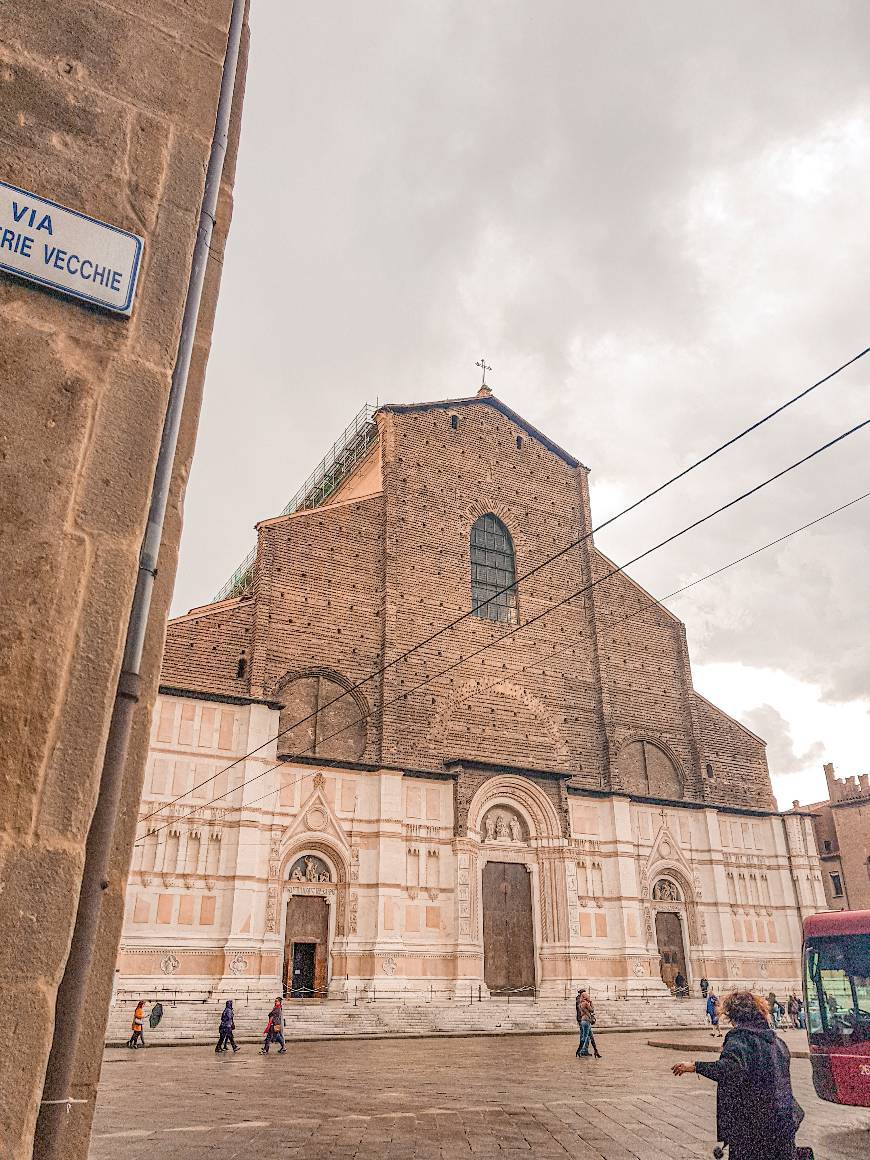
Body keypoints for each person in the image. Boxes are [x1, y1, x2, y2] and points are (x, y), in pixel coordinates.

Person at [671, 990, 805, 1160]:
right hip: (783, 1122)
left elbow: (730, 1069)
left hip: (753, 1127)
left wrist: (695, 1066)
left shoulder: (741, 1039)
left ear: (733, 1015)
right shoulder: (778, 1042)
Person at [574, 989, 601, 1058]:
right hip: (586, 1021)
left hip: (583, 1021)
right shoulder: (585, 1003)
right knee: (585, 1037)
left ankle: (596, 1051)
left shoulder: (580, 1003)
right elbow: (592, 1010)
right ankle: (579, 1051)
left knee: (591, 1037)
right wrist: (591, 1002)